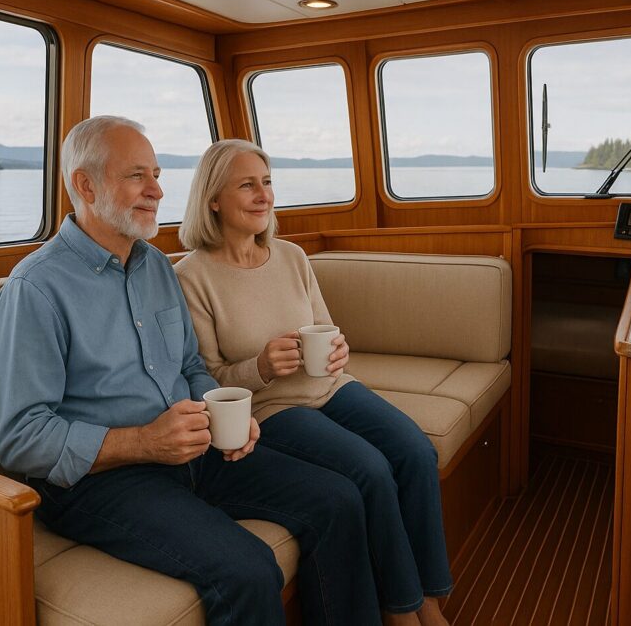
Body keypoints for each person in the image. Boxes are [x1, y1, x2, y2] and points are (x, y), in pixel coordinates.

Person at [0, 116, 381, 626]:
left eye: (155, 174)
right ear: (85, 185)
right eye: (137, 176)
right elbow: (20, 439)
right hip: (104, 481)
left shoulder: (154, 266)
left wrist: (223, 414)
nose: (157, 189)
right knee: (248, 569)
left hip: (191, 452)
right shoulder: (35, 291)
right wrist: (143, 443)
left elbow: (191, 364)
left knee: (339, 498)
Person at [175, 139, 452, 626]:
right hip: (274, 410)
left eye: (267, 183)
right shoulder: (190, 277)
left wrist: (338, 350)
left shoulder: (292, 257)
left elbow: (326, 327)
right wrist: (259, 366)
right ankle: (402, 610)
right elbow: (208, 378)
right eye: (247, 185)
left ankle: (428, 597)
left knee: (414, 451)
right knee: (369, 469)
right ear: (213, 198)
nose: (264, 195)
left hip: (332, 388)